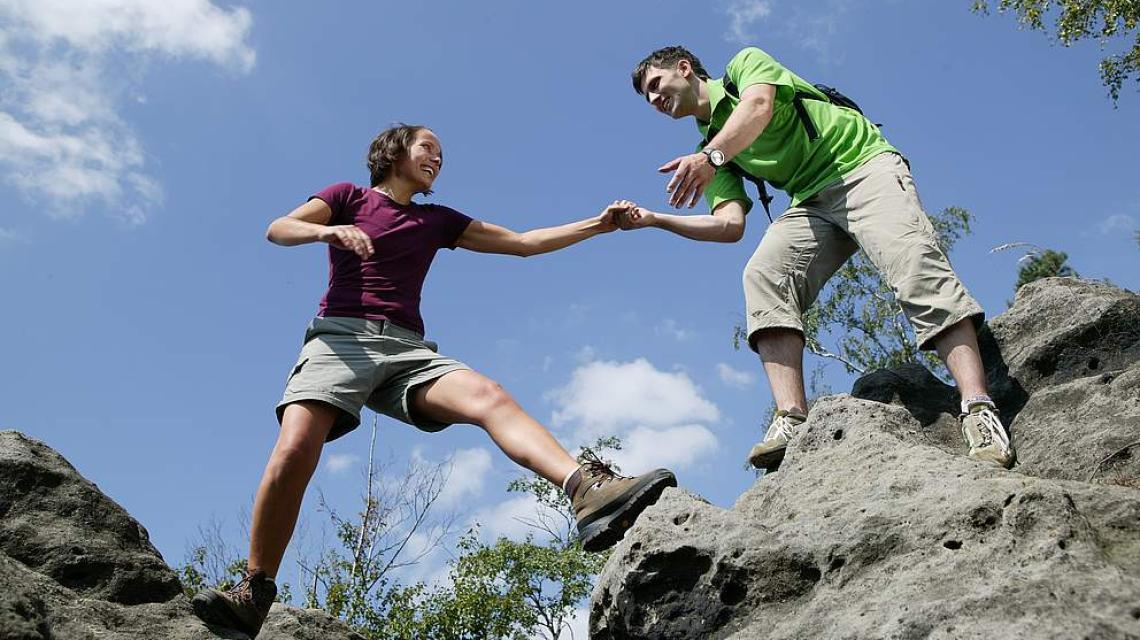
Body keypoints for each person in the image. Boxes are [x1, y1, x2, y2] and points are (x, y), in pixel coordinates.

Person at [190, 124, 677, 638]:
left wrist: (599, 225)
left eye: (442, 155)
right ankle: (254, 588)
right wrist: (326, 231)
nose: (437, 160)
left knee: (488, 395)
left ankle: (585, 490)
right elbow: (279, 227)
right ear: (393, 151)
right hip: (340, 340)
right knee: (294, 450)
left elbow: (523, 243)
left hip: (408, 351)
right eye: (428, 148)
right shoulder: (347, 197)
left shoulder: (437, 221)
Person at [625, 45, 1012, 473]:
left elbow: (759, 104)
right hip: (810, 202)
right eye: (646, 98)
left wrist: (711, 157)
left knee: (914, 265)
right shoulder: (711, 151)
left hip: (862, 167)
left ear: (684, 68)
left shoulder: (743, 70)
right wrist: (654, 220)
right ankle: (791, 419)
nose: (654, 100)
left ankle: (979, 408)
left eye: (656, 85)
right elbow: (729, 226)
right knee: (763, 275)